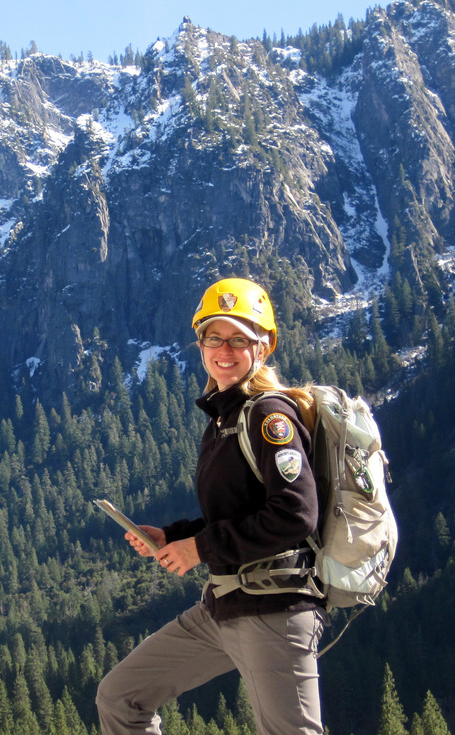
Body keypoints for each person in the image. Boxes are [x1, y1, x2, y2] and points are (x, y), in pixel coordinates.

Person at [96, 277, 327, 735]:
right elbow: (239, 509)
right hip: (225, 604)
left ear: (263, 347)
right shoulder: (227, 416)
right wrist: (176, 536)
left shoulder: (269, 416)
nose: (225, 349)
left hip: (274, 610)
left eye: (239, 338)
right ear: (200, 345)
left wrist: (199, 550)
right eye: (214, 337)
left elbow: (295, 514)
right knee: (121, 697)